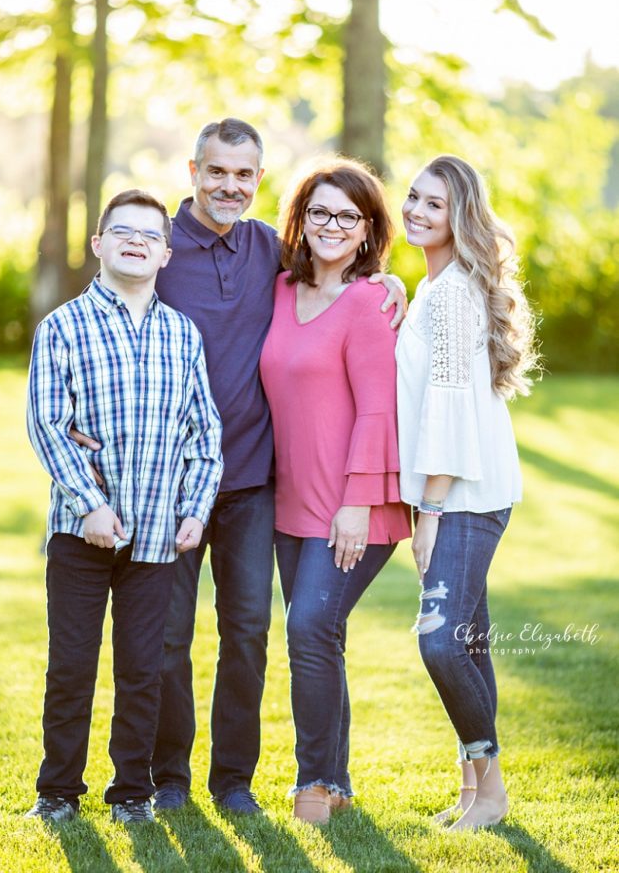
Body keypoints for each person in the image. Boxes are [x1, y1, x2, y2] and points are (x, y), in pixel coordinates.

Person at [72, 119, 407, 815]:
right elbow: (100, 313)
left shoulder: (266, 249)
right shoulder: (157, 244)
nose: (230, 186)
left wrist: (389, 279)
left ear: (259, 179)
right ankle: (169, 779)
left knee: (247, 634)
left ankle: (233, 782)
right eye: (217, 172)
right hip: (166, 482)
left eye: (244, 175)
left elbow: (335, 263)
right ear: (192, 169)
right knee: (165, 637)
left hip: (254, 481)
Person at [25, 190, 223, 825]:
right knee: (72, 667)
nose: (135, 242)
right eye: (122, 232)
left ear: (166, 254)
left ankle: (132, 792)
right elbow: (48, 425)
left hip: (159, 536)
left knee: (145, 670)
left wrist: (195, 509)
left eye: (149, 235)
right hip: (80, 534)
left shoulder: (181, 334)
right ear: (98, 245)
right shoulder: (61, 328)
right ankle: (57, 791)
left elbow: (204, 435)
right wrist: (89, 504)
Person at [260, 158, 412, 824]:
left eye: (347, 216)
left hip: (356, 504)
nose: (331, 225)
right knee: (321, 634)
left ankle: (314, 785)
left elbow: (378, 410)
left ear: (368, 230)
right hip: (290, 501)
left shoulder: (367, 302)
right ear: (299, 218)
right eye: (319, 211)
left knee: (308, 627)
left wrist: (354, 504)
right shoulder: (276, 290)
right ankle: (340, 781)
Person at [395, 155, 538, 830]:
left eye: (435, 204)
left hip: (464, 496)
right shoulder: (437, 287)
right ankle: (476, 793)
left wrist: (427, 510)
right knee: (468, 642)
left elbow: (447, 403)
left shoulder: (450, 292)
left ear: (459, 217)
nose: (417, 211)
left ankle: (492, 787)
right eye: (413, 197)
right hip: (473, 488)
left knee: (442, 644)